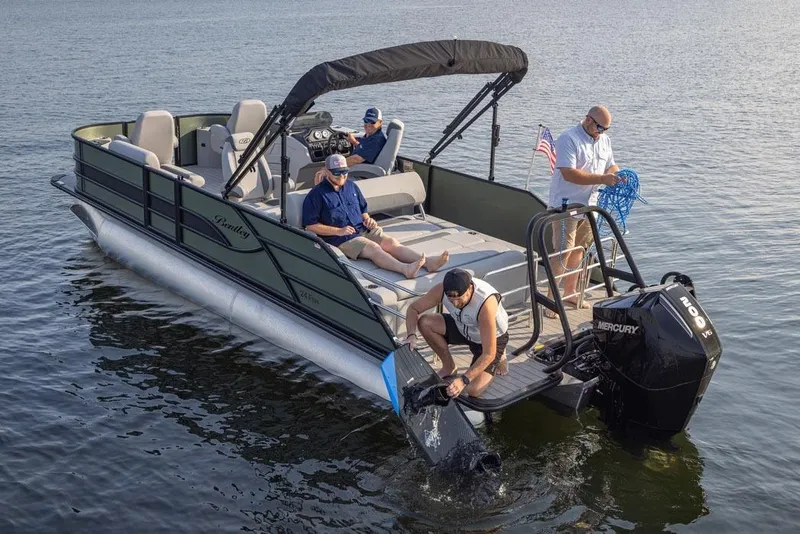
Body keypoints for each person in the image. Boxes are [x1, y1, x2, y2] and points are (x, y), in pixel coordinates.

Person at [303, 154, 449, 279]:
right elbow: (310, 225)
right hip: (341, 238)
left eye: (345, 172)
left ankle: (429, 263)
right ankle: (405, 269)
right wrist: (338, 231)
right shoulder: (316, 194)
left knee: (391, 242)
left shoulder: (352, 186)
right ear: (327, 172)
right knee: (373, 248)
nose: (342, 176)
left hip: (362, 228)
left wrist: (368, 219)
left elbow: (362, 210)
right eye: (337, 173)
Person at [545, 105, 623, 318]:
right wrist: (602, 179)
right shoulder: (568, 138)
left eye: (606, 129)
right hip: (566, 205)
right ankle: (551, 300)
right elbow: (569, 174)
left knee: (581, 249)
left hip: (590, 205)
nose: (602, 132)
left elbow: (611, 166)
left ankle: (570, 291)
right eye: (599, 127)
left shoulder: (604, 141)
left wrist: (618, 176)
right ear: (588, 120)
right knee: (562, 252)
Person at [403, 268, 509, 398]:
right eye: (451, 300)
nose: (455, 303)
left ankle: (501, 357)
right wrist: (411, 335)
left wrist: (463, 380)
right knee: (425, 322)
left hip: (490, 338)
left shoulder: (485, 304)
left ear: (470, 288)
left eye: (459, 299)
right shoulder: (442, 289)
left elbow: (488, 353)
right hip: (463, 326)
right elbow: (413, 308)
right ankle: (449, 367)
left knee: (473, 390)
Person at [315, 107, 388, 185]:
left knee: (323, 176)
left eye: (372, 121)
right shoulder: (370, 137)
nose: (368, 124)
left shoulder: (376, 140)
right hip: (355, 169)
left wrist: (328, 168)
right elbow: (364, 149)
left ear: (380, 123)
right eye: (366, 121)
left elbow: (356, 159)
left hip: (360, 174)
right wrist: (354, 142)